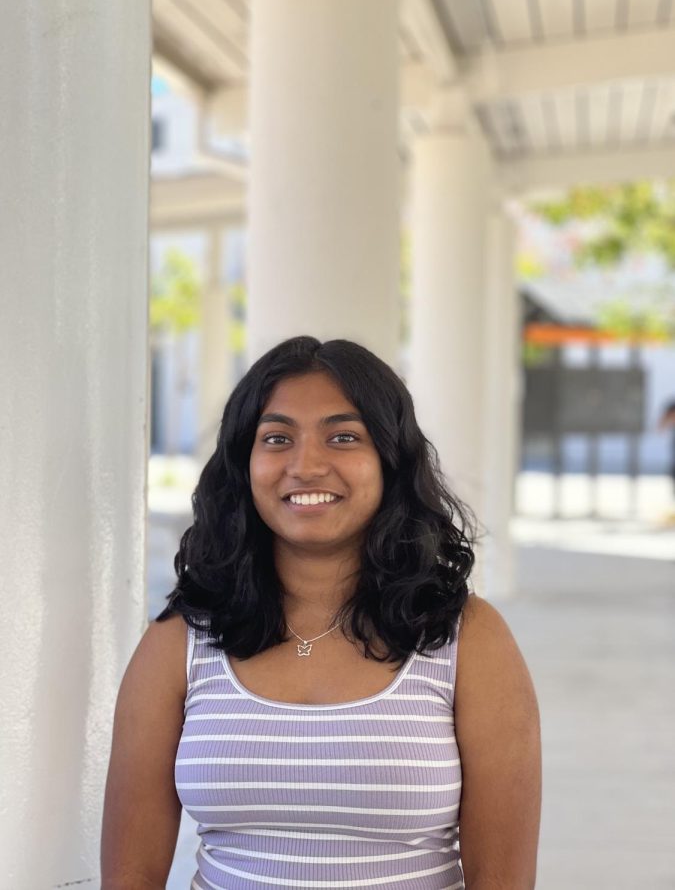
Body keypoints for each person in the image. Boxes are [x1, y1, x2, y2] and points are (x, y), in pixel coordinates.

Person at [101, 336, 541, 890]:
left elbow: (502, 880)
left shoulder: (469, 639)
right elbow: (129, 876)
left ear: (390, 459)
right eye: (277, 438)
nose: (306, 465)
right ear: (245, 463)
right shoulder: (180, 640)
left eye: (343, 437)